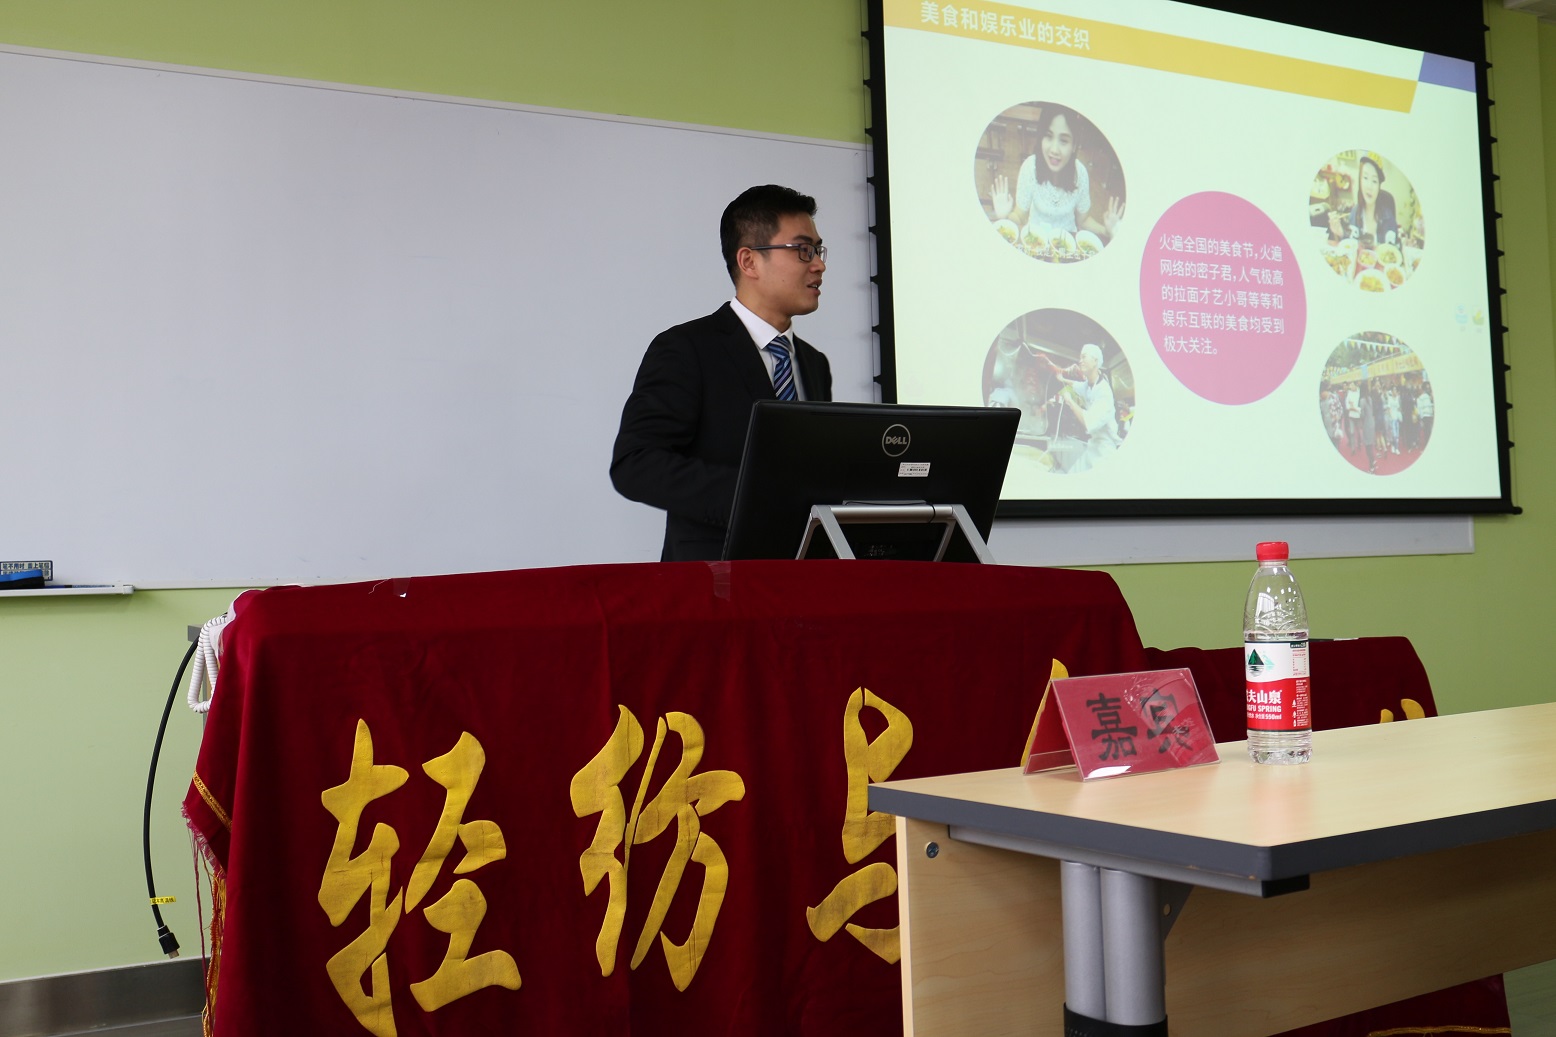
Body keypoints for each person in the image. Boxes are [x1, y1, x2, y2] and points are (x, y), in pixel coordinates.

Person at [610, 184, 833, 562]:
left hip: (803, 575)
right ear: (749, 261)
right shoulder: (687, 349)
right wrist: (754, 497)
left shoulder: (814, 363)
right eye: (802, 250)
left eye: (818, 250)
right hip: (716, 577)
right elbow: (636, 463)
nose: (819, 265)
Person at [989, 105, 1123, 240]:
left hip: (1066, 240)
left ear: (1074, 146)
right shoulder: (1030, 167)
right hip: (1035, 238)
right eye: (1048, 136)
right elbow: (1019, 215)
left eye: (1063, 141)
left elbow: (1084, 220)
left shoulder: (1080, 174)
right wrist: (1004, 218)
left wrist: (1107, 231)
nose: (1054, 149)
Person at [1045, 342, 1121, 473]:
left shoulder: (1104, 392)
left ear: (1095, 361)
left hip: (1105, 451)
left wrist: (1069, 400)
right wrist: (1062, 379)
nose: (1080, 361)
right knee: (1072, 474)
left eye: (1084, 357)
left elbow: (1088, 423)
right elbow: (1077, 385)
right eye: (1080, 357)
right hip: (1093, 446)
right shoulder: (1089, 384)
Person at [1329, 153, 1398, 247]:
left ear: (1379, 186)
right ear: (1360, 180)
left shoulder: (1388, 217)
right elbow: (1352, 244)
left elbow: (1393, 250)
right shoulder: (1355, 212)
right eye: (1365, 178)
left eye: (1374, 181)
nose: (1369, 186)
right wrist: (1340, 232)